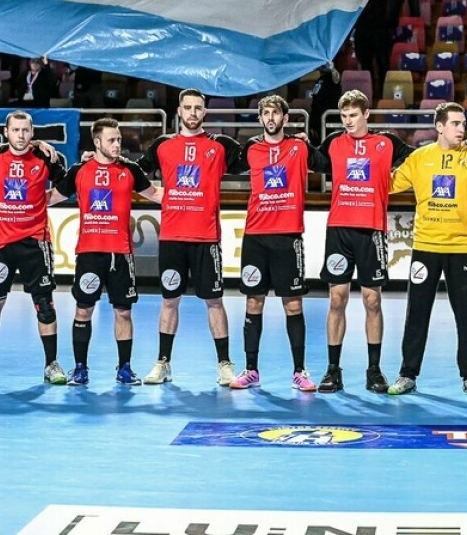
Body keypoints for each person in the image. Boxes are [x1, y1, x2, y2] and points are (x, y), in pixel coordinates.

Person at [386, 102, 467, 396]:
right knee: (417, 313)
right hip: (425, 246)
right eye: (455, 124)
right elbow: (388, 184)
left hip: (461, 246)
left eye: (463, 123)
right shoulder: (419, 158)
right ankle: (407, 374)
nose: (462, 129)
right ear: (439, 126)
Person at [137, 89, 243, 386]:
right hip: (172, 238)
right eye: (188, 107)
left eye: (198, 108)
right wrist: (158, 195)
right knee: (169, 300)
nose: (193, 113)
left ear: (204, 112)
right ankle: (163, 363)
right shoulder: (163, 145)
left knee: (215, 301)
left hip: (206, 238)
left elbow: (256, 158)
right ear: (179, 111)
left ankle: (224, 364)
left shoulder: (220, 145)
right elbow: (133, 173)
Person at [316, 90, 416, 393]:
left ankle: (374, 370)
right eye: (344, 116)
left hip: (372, 230)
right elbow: (309, 160)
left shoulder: (386, 143)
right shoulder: (333, 142)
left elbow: (420, 159)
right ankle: (333, 369)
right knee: (337, 299)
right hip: (339, 229)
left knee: (373, 300)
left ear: (366, 114)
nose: (348, 121)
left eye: (353, 115)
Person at [49, 118, 160, 386]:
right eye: (112, 140)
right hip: (89, 253)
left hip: (120, 254)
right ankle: (80, 368)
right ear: (97, 142)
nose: (117, 144)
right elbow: (51, 197)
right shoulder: (79, 170)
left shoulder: (130, 169)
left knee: (123, 312)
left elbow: (156, 194)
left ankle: (124, 368)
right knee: (83, 311)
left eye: (119, 139)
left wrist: (194, 197)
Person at [229, 96, 329, 392]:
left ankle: (299, 371)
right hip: (255, 237)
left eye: (276, 113)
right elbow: (222, 164)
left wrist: (310, 144)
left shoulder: (299, 147)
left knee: (293, 304)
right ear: (260, 118)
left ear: (285, 118)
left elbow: (327, 163)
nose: (270, 117)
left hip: (288, 237)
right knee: (253, 302)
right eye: (266, 113)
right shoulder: (250, 148)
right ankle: (251, 370)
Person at [0, 111, 67, 385]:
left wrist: (43, 200)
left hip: (35, 243)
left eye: (26, 131)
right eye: (16, 130)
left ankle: (51, 364)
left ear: (32, 133)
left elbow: (68, 184)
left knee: (44, 305)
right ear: (6, 132)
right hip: (1, 245)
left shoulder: (44, 158)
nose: (21, 135)